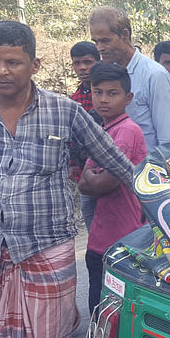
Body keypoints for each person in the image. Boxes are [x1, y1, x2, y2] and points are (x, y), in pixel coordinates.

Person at [0, 21, 134, 338]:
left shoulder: (63, 112)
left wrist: (163, 203)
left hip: (47, 248)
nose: (2, 71)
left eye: (13, 61)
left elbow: (115, 160)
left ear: (34, 64)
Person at [78, 63, 147, 314]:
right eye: (98, 92)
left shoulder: (127, 130)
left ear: (128, 98)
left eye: (112, 93)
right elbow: (85, 184)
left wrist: (91, 176)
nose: (104, 99)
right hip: (104, 234)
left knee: (110, 309)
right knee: (100, 305)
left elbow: (103, 182)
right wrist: (90, 178)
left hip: (120, 237)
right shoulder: (104, 130)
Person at [89, 6, 170, 151]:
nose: (99, 48)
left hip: (147, 169)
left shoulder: (154, 75)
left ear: (125, 35)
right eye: (96, 42)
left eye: (105, 41)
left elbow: (169, 139)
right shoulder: (105, 72)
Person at [68, 41, 103, 230]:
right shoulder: (74, 100)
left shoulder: (110, 93)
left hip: (110, 172)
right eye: (77, 63)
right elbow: (71, 135)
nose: (82, 68)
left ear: (98, 61)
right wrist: (72, 164)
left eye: (87, 62)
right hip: (84, 175)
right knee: (93, 225)